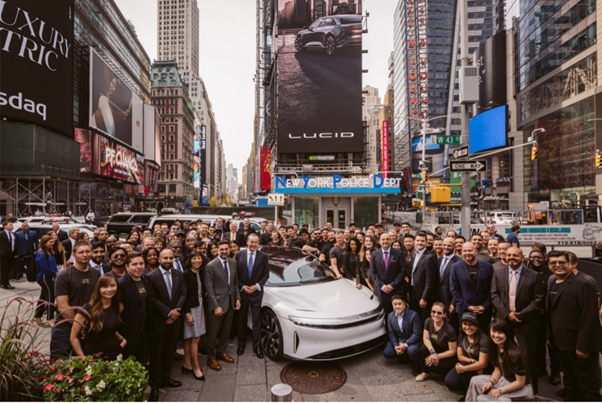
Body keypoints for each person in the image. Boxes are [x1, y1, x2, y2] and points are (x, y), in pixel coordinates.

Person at [545, 250, 601, 401]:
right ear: (549, 265)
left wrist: (583, 345)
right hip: (561, 344)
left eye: (562, 262)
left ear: (570, 264)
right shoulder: (553, 282)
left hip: (580, 347)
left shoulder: (582, 284)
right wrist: (550, 336)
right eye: (553, 263)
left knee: (586, 386)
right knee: (569, 381)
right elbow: (552, 313)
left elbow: (590, 317)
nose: (558, 265)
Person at [490, 247, 544, 394]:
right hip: (504, 321)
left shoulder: (533, 276)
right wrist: (507, 314)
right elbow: (494, 295)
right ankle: (510, 385)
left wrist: (520, 316)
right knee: (505, 354)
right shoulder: (498, 272)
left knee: (528, 358)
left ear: (522, 257)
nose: (511, 257)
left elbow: (537, 300)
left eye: (515, 255)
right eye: (509, 255)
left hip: (525, 323)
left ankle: (531, 391)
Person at [147, 248, 187, 401]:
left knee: (169, 351)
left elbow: (183, 293)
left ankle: (166, 378)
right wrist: (168, 313)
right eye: (165, 258)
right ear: (159, 259)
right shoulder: (151, 277)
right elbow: (152, 298)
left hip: (174, 322)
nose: (168, 261)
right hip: (160, 321)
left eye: (171, 258)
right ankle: (155, 385)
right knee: (157, 355)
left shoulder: (178, 274)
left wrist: (175, 313)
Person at [51, 241, 100, 357]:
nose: (85, 254)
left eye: (88, 251)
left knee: (84, 367)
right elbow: (63, 306)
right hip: (65, 328)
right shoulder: (64, 275)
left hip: (88, 328)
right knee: (58, 365)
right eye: (81, 252)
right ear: (73, 255)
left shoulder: (96, 273)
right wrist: (79, 325)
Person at [466, 320, 533, 401]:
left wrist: (500, 390)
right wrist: (491, 382)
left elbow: (520, 383)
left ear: (507, 334)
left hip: (520, 388)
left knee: (497, 398)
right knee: (475, 381)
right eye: (494, 331)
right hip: (504, 379)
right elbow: (498, 369)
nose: (496, 335)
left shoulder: (515, 355)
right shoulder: (495, 347)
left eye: (500, 332)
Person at [70, 275, 126, 360]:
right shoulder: (87, 309)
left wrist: (122, 340)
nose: (109, 289)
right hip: (93, 357)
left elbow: (109, 326)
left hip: (113, 355)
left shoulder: (117, 306)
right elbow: (73, 337)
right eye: (105, 286)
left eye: (112, 285)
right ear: (98, 289)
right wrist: (84, 359)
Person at [205, 241, 240, 371]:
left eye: (226, 249)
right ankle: (211, 357)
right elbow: (210, 288)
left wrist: (237, 298)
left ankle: (221, 351)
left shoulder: (233, 263)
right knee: (213, 332)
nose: (224, 251)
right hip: (218, 304)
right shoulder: (211, 266)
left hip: (230, 302)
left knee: (226, 331)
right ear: (218, 250)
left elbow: (235, 283)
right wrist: (215, 306)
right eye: (222, 249)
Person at [235, 234, 269, 357]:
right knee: (242, 319)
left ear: (258, 243)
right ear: (247, 242)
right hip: (243, 292)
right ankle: (241, 344)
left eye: (256, 242)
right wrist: (242, 286)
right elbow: (236, 275)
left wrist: (256, 286)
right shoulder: (239, 255)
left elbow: (266, 275)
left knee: (256, 320)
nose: (253, 244)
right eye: (251, 242)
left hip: (256, 293)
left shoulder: (263, 256)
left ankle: (257, 346)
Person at [444, 312, 491, 398]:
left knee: (463, 368)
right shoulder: (461, 336)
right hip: (470, 363)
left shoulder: (484, 339)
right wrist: (473, 361)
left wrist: (464, 368)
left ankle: (469, 393)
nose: (467, 327)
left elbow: (483, 363)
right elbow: (460, 356)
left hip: (484, 369)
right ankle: (468, 386)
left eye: (471, 324)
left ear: (477, 326)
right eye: (465, 324)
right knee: (449, 381)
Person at [450, 242, 494, 332]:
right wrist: (467, 306)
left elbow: (492, 288)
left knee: (484, 335)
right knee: (465, 335)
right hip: (464, 309)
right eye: (465, 251)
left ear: (476, 251)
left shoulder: (488, 267)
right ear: (462, 252)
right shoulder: (455, 267)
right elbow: (454, 289)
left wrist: (485, 306)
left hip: (483, 311)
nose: (467, 253)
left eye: (470, 250)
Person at [118, 251, 151, 364]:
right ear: (126, 266)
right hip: (128, 331)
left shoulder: (146, 280)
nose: (139, 267)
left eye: (141, 264)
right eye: (134, 264)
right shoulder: (121, 283)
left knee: (141, 359)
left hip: (144, 329)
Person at [416, 302, 458, 381]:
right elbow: (426, 338)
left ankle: (447, 372)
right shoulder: (428, 321)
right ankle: (425, 372)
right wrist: (433, 352)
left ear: (444, 314)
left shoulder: (449, 330)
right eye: (433, 312)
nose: (435, 315)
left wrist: (437, 356)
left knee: (434, 366)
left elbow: (452, 351)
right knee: (423, 349)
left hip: (447, 354)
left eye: (439, 313)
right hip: (435, 349)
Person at [182, 251, 207, 381]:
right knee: (195, 337)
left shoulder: (201, 271)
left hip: (200, 304)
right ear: (189, 260)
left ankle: (187, 364)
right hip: (191, 307)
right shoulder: (186, 274)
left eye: (199, 258)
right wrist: (187, 313)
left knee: (189, 337)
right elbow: (183, 295)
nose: (197, 261)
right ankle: (196, 367)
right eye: (194, 259)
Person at [370, 233, 407, 321]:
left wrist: (392, 285)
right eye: (383, 239)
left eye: (387, 239)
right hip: (381, 292)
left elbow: (402, 271)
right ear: (379, 241)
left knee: (397, 316)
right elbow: (373, 272)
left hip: (396, 290)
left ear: (391, 240)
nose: (385, 241)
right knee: (383, 317)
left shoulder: (399, 253)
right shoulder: (374, 254)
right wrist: (382, 286)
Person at [383, 295, 422, 374]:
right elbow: (391, 333)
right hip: (400, 340)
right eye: (395, 304)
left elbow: (417, 334)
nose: (397, 306)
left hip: (412, 340)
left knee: (412, 350)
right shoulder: (390, 316)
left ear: (404, 304)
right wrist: (396, 346)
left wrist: (405, 344)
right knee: (387, 352)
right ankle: (404, 356)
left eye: (399, 304)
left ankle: (417, 366)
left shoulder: (414, 315)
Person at [409, 232, 438, 322]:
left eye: (422, 241)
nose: (420, 243)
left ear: (426, 243)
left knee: (425, 320)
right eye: (418, 240)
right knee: (415, 319)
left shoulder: (429, 257)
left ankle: (425, 336)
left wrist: (424, 298)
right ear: (414, 242)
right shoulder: (413, 255)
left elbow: (430, 280)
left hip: (423, 296)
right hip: (413, 293)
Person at [33, 235, 59, 326]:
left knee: (43, 296)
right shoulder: (41, 253)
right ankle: (50, 318)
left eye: (53, 242)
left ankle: (37, 316)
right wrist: (54, 274)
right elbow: (44, 267)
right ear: (44, 243)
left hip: (50, 276)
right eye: (50, 242)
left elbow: (53, 265)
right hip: (44, 276)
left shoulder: (50, 252)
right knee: (51, 296)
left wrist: (56, 273)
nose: (52, 244)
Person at [438, 237, 461, 330]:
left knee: (452, 326)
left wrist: (454, 303)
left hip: (450, 299)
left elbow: (460, 284)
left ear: (454, 247)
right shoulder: (437, 261)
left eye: (449, 245)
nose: (446, 247)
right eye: (444, 245)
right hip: (438, 299)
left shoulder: (459, 262)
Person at [0, 221, 17, 289]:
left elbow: (15, 244)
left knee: (8, 269)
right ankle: (5, 284)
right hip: (4, 255)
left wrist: (16, 252)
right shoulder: (1, 234)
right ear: (5, 226)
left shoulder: (13, 234)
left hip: (11, 254)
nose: (12, 226)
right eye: (10, 225)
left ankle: (3, 282)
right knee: (5, 270)